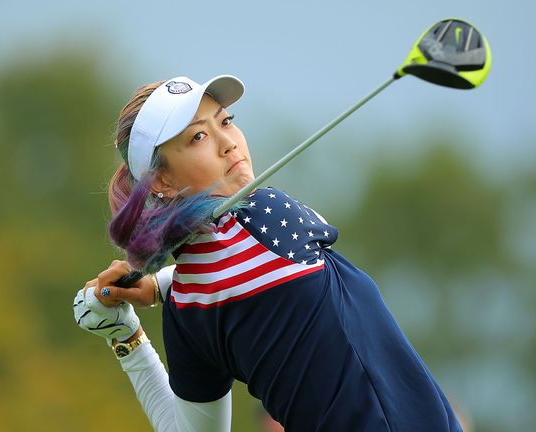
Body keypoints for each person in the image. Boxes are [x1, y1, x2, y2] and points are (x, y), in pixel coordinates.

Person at [74, 74, 463, 431]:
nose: (229, 142)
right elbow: (238, 270)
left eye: (225, 122)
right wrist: (158, 288)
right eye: (198, 137)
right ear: (161, 178)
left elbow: (225, 276)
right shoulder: (268, 212)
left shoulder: (188, 310)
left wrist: (127, 337)